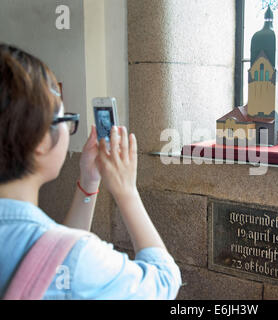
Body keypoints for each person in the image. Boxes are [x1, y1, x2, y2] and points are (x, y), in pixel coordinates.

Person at [0, 44, 182, 300]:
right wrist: (126, 191)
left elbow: (52, 254)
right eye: (66, 120)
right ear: (40, 140)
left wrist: (89, 181)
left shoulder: (61, 253)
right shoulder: (81, 261)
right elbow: (164, 282)